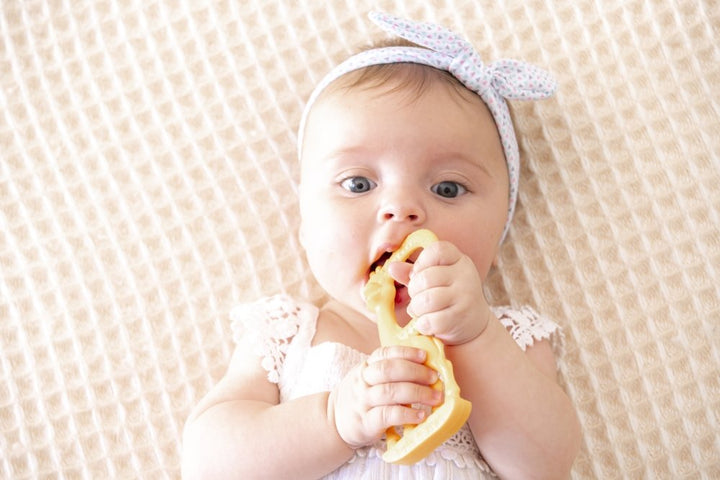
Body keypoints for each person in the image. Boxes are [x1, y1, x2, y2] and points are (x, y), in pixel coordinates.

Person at [182, 11, 581, 479]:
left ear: (500, 231)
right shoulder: (290, 336)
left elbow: (545, 466)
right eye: (357, 183)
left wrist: (475, 337)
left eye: (448, 188)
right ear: (306, 227)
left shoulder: (506, 338)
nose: (401, 208)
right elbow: (208, 463)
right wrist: (334, 419)